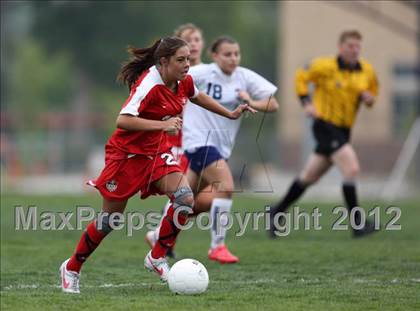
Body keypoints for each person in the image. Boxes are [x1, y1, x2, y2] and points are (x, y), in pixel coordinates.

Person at [59, 36, 253, 294]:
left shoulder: (182, 80)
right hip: (126, 156)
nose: (187, 64)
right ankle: (71, 268)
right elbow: (123, 120)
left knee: (185, 198)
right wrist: (163, 125)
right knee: (109, 221)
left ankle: (157, 256)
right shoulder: (149, 84)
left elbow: (197, 96)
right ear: (163, 62)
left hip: (156, 153)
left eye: (187, 59)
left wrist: (229, 113)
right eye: (181, 60)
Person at [146, 35, 278, 264]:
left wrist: (251, 102)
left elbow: (273, 104)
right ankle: (217, 247)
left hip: (220, 148)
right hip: (199, 142)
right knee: (226, 188)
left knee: (190, 201)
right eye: (227, 54)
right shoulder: (203, 73)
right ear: (215, 56)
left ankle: (158, 234)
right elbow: (167, 77)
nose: (233, 58)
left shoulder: (244, 77)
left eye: (237, 53)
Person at [268, 30, 379, 238]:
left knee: (309, 176)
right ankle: (357, 224)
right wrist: (306, 103)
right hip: (324, 125)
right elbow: (301, 77)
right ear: (341, 47)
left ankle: (276, 211)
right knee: (352, 168)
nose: (354, 50)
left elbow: (373, 92)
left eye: (358, 46)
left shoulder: (367, 70)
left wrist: (369, 99)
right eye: (350, 46)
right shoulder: (324, 65)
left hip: (345, 130)